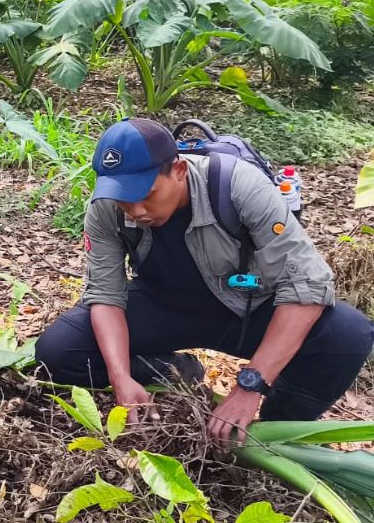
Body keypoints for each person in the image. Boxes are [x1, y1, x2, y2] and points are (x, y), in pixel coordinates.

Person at [35, 118, 373, 447]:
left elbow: (307, 287)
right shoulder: (106, 207)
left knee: (346, 335)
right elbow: (105, 295)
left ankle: (273, 429)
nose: (135, 210)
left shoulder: (239, 186)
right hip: (165, 305)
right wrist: (120, 377)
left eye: (147, 194)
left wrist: (249, 387)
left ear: (179, 171)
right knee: (59, 351)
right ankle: (175, 371)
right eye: (125, 198)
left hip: (247, 308)